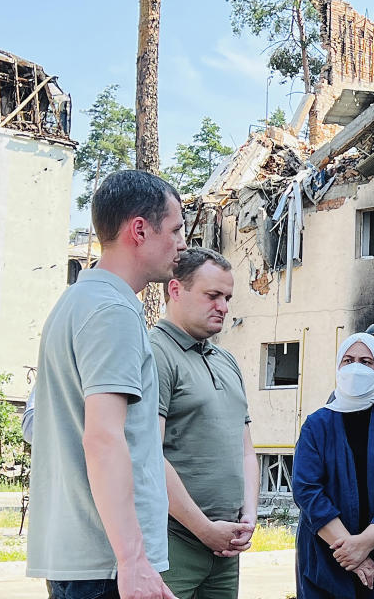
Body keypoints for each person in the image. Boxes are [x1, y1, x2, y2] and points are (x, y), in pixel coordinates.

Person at [26, 170, 186, 599]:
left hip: (85, 557)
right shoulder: (111, 311)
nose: (182, 243)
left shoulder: (75, 302)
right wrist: (133, 559)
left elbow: (42, 421)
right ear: (139, 230)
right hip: (108, 564)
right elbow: (102, 438)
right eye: (175, 229)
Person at [150, 248, 259, 599]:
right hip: (174, 543)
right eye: (212, 295)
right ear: (175, 290)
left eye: (227, 298)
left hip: (227, 549)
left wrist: (249, 518)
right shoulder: (154, 352)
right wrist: (204, 528)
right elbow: (148, 456)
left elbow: (245, 450)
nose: (224, 307)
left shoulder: (227, 360)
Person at [293, 333, 374, 598]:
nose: (355, 367)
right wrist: (354, 554)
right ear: (338, 366)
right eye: (348, 360)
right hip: (325, 554)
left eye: (366, 361)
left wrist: (365, 543)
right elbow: (307, 491)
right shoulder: (316, 425)